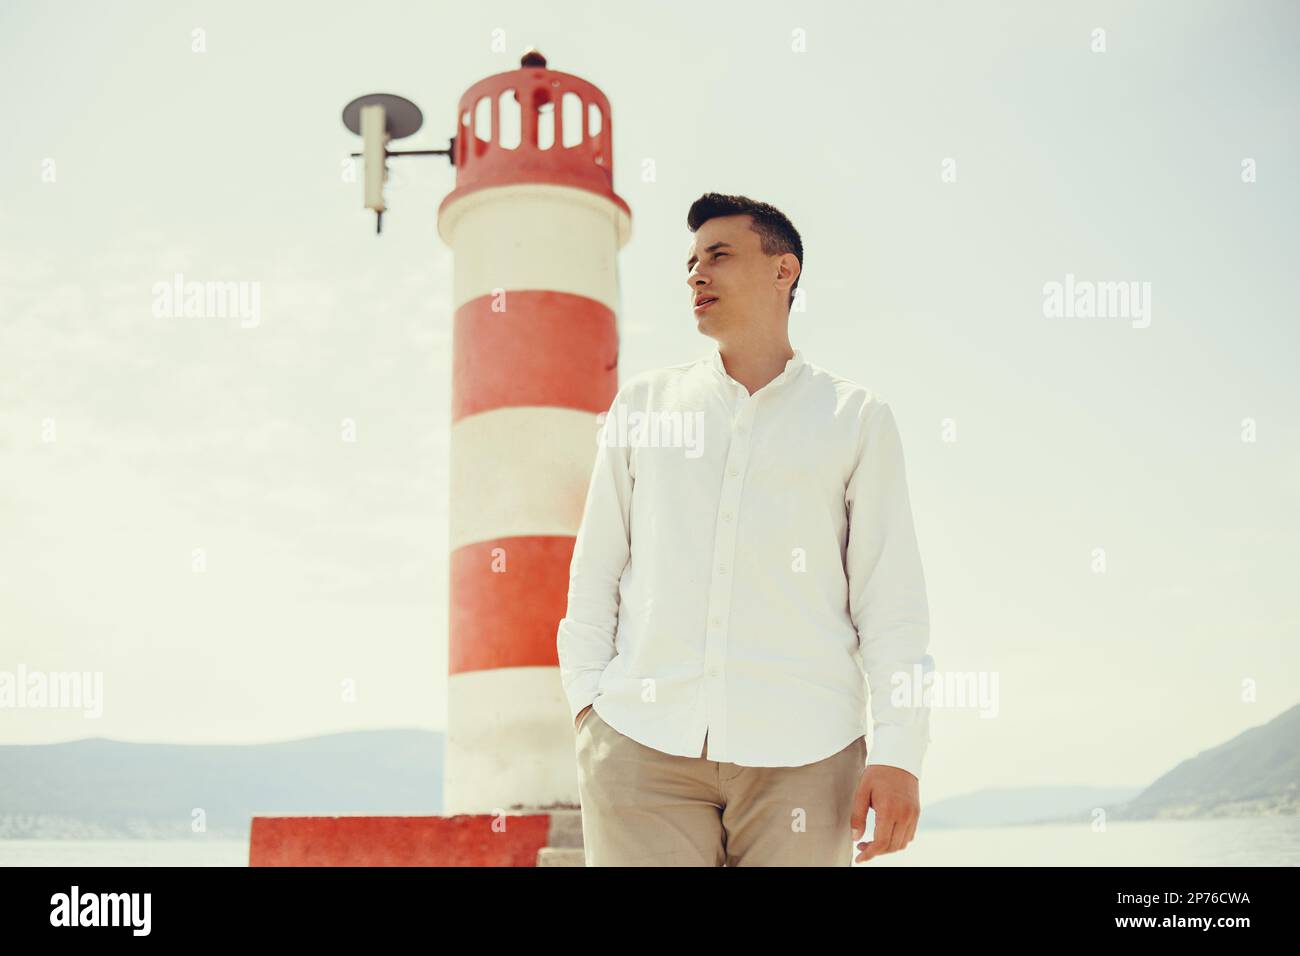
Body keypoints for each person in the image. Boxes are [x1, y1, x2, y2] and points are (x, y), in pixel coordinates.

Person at [556, 192, 933, 866]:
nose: (697, 274)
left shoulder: (856, 418)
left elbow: (891, 600)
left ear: (783, 270)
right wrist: (589, 709)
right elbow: (595, 571)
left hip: (808, 758)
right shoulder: (644, 406)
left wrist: (901, 751)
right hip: (640, 748)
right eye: (692, 262)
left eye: (720, 256)